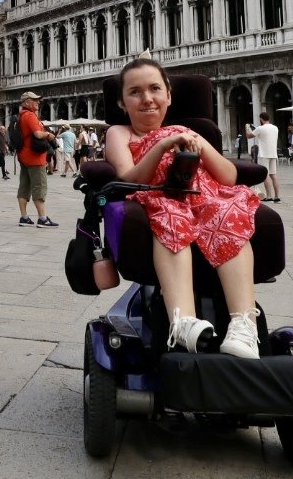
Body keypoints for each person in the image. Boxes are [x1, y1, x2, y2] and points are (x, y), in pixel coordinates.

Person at [104, 58, 260, 359]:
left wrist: (198, 148)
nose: (147, 98)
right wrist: (161, 147)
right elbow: (130, 178)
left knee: (227, 214)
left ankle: (245, 325)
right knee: (171, 218)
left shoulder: (188, 131)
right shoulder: (120, 133)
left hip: (205, 198)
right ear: (122, 103)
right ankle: (183, 321)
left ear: (169, 96)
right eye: (135, 92)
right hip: (159, 197)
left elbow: (228, 176)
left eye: (155, 89)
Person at [15, 91, 58, 227]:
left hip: (24, 156)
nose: (38, 102)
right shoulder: (30, 116)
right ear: (27, 102)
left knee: (24, 186)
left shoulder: (21, 115)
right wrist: (49, 135)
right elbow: (38, 134)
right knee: (39, 186)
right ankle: (42, 218)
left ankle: (24, 217)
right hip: (35, 157)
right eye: (35, 100)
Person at [248, 113, 281, 202]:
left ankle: (269, 196)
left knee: (266, 175)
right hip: (273, 153)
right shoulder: (275, 128)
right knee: (273, 175)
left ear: (261, 119)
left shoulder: (260, 128)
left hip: (263, 154)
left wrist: (247, 128)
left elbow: (249, 136)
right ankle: (277, 196)